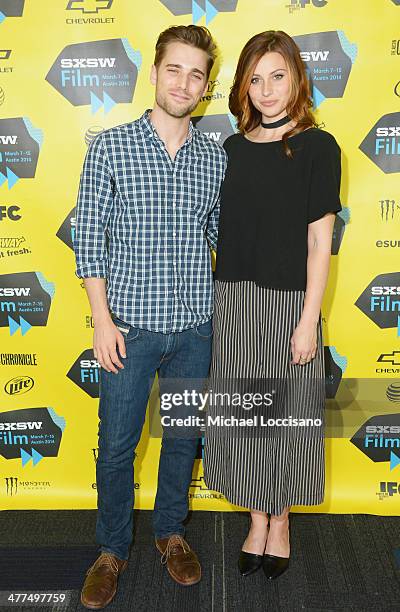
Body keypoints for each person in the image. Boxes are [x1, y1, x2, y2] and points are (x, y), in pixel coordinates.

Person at [74, 25, 226, 609]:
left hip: (193, 326)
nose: (184, 82)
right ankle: (112, 549)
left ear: (206, 87)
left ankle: (169, 533)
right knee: (116, 445)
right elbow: (89, 236)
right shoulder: (110, 147)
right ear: (154, 72)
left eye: (196, 74)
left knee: (182, 439)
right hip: (129, 328)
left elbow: (220, 235)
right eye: (175, 69)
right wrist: (101, 319)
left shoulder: (214, 158)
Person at [203, 30, 342, 580]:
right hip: (233, 301)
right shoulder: (231, 150)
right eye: (254, 79)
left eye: (276, 76)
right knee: (243, 422)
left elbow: (318, 243)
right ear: (243, 86)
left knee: (288, 421)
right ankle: (255, 518)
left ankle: (280, 522)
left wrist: (309, 319)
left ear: (297, 79)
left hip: (290, 307)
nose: (265, 90)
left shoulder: (319, 147)